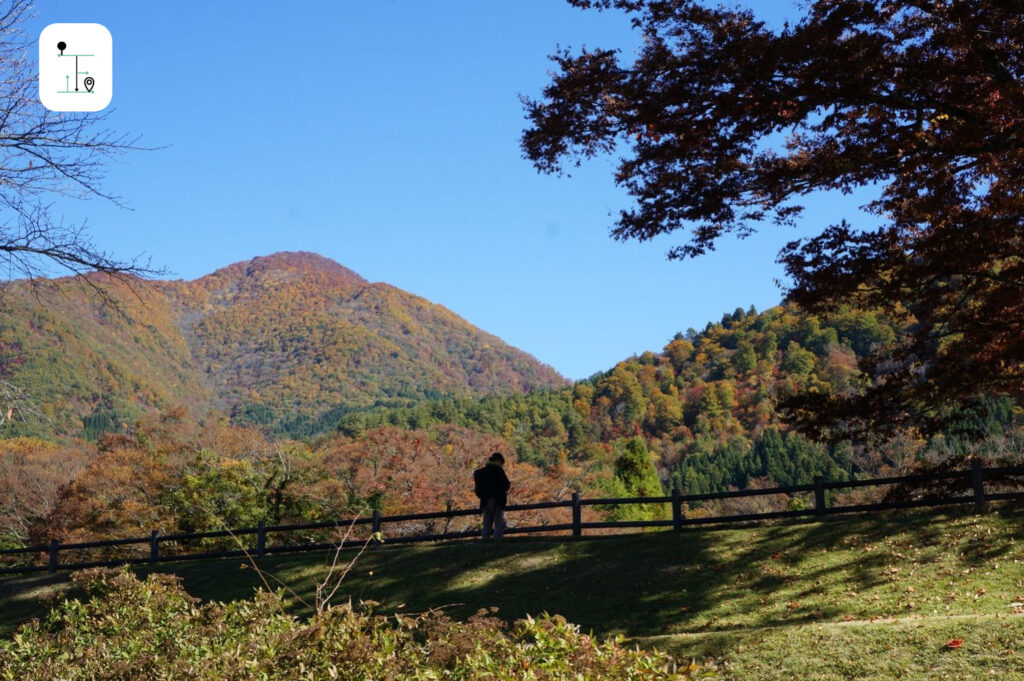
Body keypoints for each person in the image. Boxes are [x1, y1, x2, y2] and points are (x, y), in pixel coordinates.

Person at [473, 452, 510, 539]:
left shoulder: (479, 473)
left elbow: (477, 490)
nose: (502, 465)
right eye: (501, 463)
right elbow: (506, 485)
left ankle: (485, 541)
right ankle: (496, 541)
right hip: (498, 500)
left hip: (485, 501)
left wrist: (482, 496)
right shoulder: (498, 471)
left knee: (486, 523)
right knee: (500, 523)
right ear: (498, 461)